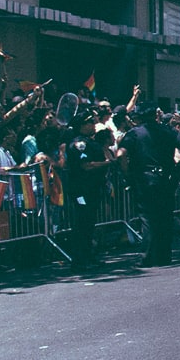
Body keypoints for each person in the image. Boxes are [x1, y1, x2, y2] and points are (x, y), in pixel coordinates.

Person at [121, 108, 180, 267]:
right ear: (156, 116)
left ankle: (148, 257)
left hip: (143, 178)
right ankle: (164, 256)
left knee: (148, 218)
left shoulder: (134, 133)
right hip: (166, 178)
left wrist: (127, 174)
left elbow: (120, 154)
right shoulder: (168, 130)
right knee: (165, 216)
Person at [60, 112, 113, 269]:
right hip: (81, 190)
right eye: (90, 122)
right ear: (81, 125)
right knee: (81, 223)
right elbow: (86, 165)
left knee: (89, 223)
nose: (93, 124)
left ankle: (88, 255)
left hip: (92, 189)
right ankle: (80, 260)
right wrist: (107, 163)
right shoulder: (79, 144)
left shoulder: (89, 142)